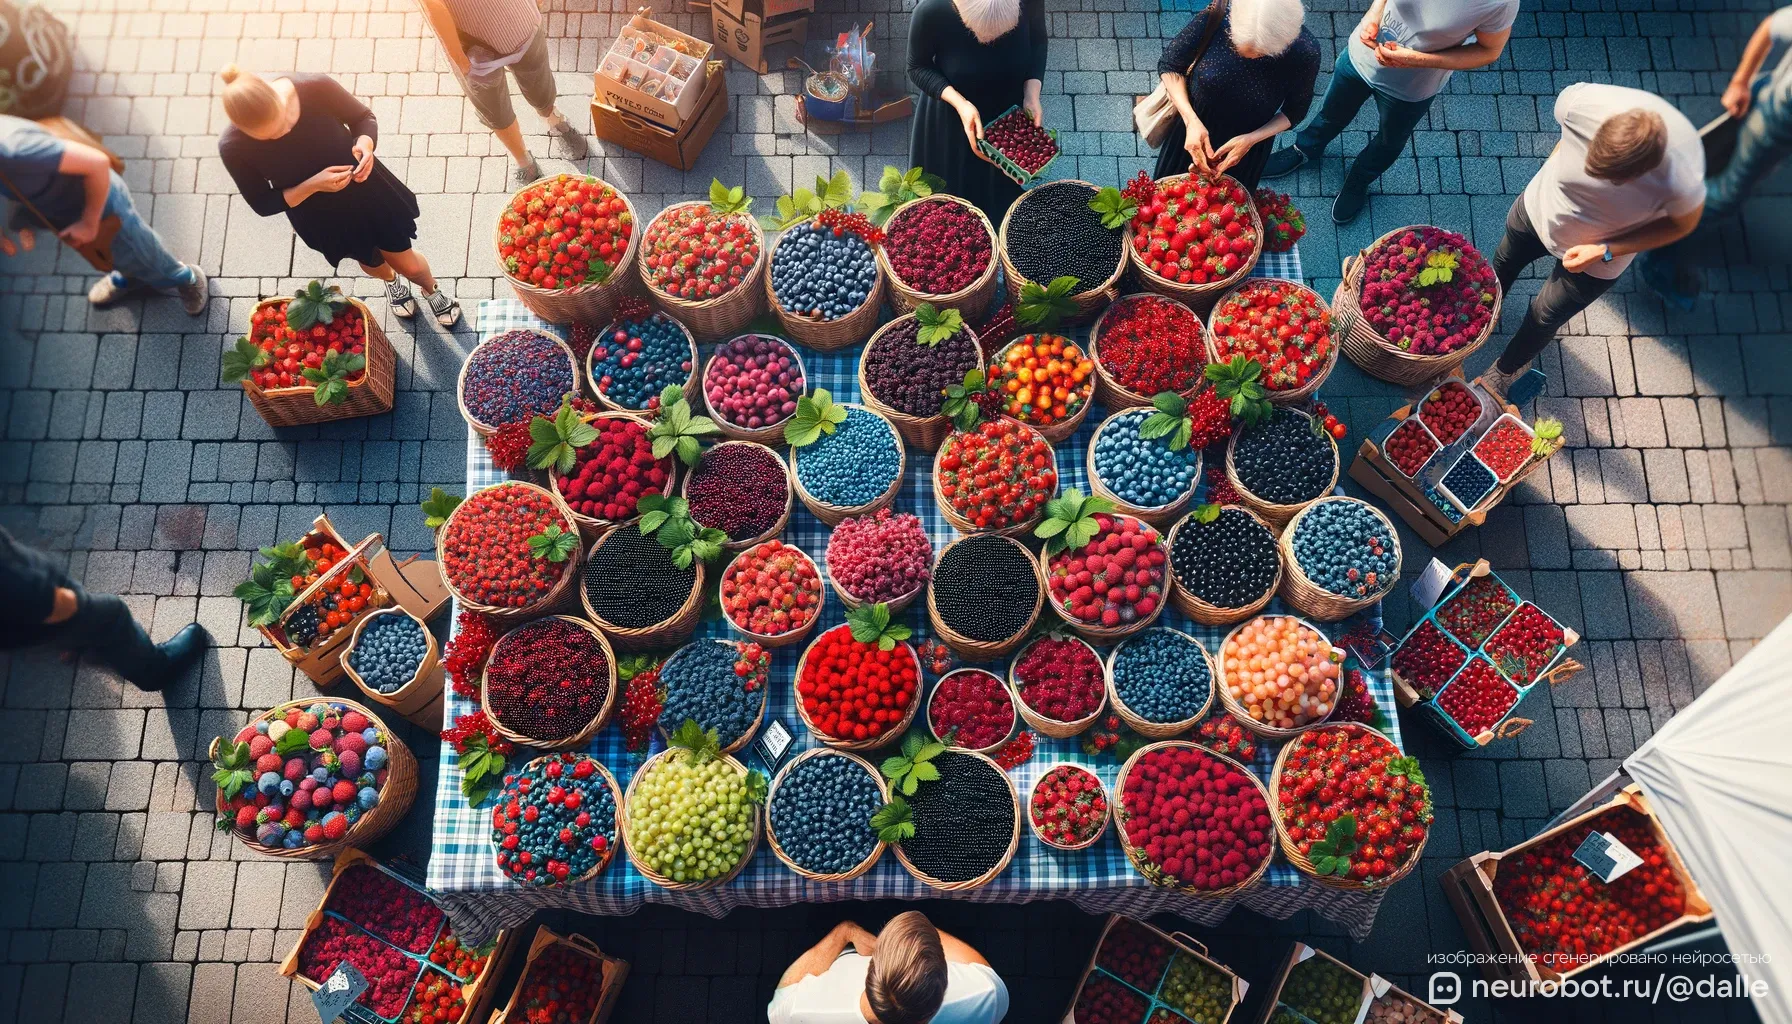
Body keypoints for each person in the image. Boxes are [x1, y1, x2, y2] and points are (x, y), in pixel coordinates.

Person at [1477, 83, 1703, 398]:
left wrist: (1606, 251)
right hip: (1538, 209)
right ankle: (1484, 313)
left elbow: (1680, 226)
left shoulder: (1682, 178)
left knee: (1544, 316)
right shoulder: (1579, 103)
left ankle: (1505, 370)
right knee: (1503, 263)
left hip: (1599, 256)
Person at [216, 66, 461, 326]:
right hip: (320, 213)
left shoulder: (314, 85)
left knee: (408, 262)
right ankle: (390, 281)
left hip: (367, 189)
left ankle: (430, 288)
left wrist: (365, 144)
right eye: (270, 136)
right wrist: (313, 185)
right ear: (244, 130)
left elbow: (362, 117)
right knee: (369, 261)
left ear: (277, 99)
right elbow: (262, 203)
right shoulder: (233, 147)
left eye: (285, 121)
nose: (284, 132)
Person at [1261, 0, 1517, 223]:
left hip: (1414, 82)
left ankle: (1359, 180)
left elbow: (1489, 50)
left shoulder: (1500, 3)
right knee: (1330, 112)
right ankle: (1305, 148)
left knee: (1389, 140)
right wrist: (1375, 11)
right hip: (1362, 54)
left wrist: (1419, 60)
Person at [1641, 7, 1792, 309]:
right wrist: (1739, 83)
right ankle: (1659, 253)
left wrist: (1742, 82)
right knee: (1724, 197)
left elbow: (1771, 26)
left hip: (1772, 108)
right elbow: (1770, 28)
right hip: (1773, 124)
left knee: (1728, 167)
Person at [0, 114, 208, 314]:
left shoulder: (17, 149)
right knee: (113, 253)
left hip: (101, 204)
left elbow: (97, 163)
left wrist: (89, 223)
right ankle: (130, 276)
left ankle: (185, 278)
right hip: (65, 208)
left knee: (140, 250)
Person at [0, 525, 207, 691]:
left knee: (64, 634)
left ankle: (76, 646)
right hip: (30, 599)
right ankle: (155, 670)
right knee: (112, 617)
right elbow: (41, 601)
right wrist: (67, 605)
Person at [416, 0, 588, 185]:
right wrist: (457, 55)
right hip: (467, 42)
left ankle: (552, 118)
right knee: (492, 106)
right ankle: (523, 159)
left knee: (537, 77)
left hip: (518, 18)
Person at [1152, 0, 1319, 189]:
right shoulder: (1219, 13)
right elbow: (1171, 66)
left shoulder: (1305, 52)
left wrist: (1250, 140)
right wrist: (1190, 120)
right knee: (1166, 192)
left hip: (1248, 145)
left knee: (1229, 204)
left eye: (1262, 53)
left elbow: (1294, 112)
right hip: (1192, 126)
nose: (1251, 56)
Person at [907, 0, 1047, 222]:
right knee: (947, 213)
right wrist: (961, 104)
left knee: (999, 198)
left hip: (1006, 113)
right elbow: (917, 67)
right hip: (951, 116)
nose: (992, 42)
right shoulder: (930, 10)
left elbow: (1038, 40)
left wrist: (1032, 94)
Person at [768, 912, 1009, 1024]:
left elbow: (781, 995)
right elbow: (981, 968)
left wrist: (845, 932)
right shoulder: (984, 994)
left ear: (872, 968)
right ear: (943, 977)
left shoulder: (803, 1012)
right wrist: (923, 937)